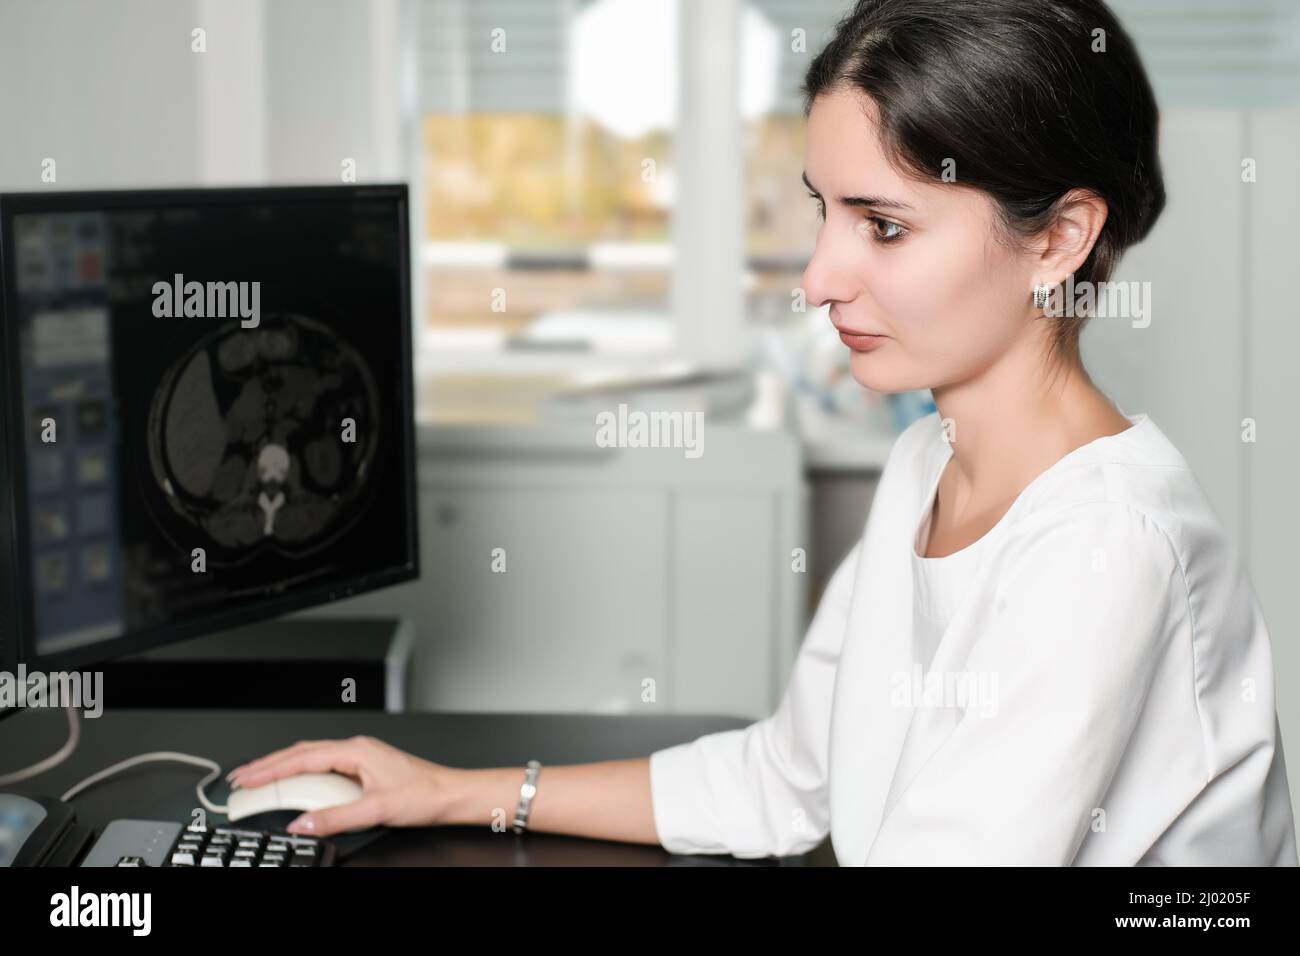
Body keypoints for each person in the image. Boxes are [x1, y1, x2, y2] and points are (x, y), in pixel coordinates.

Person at [226, 0, 1298, 865]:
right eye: (822, 211)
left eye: (882, 224)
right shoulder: (929, 456)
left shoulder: (1107, 546)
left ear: (1059, 237)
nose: (820, 278)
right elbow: (787, 777)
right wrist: (455, 788)